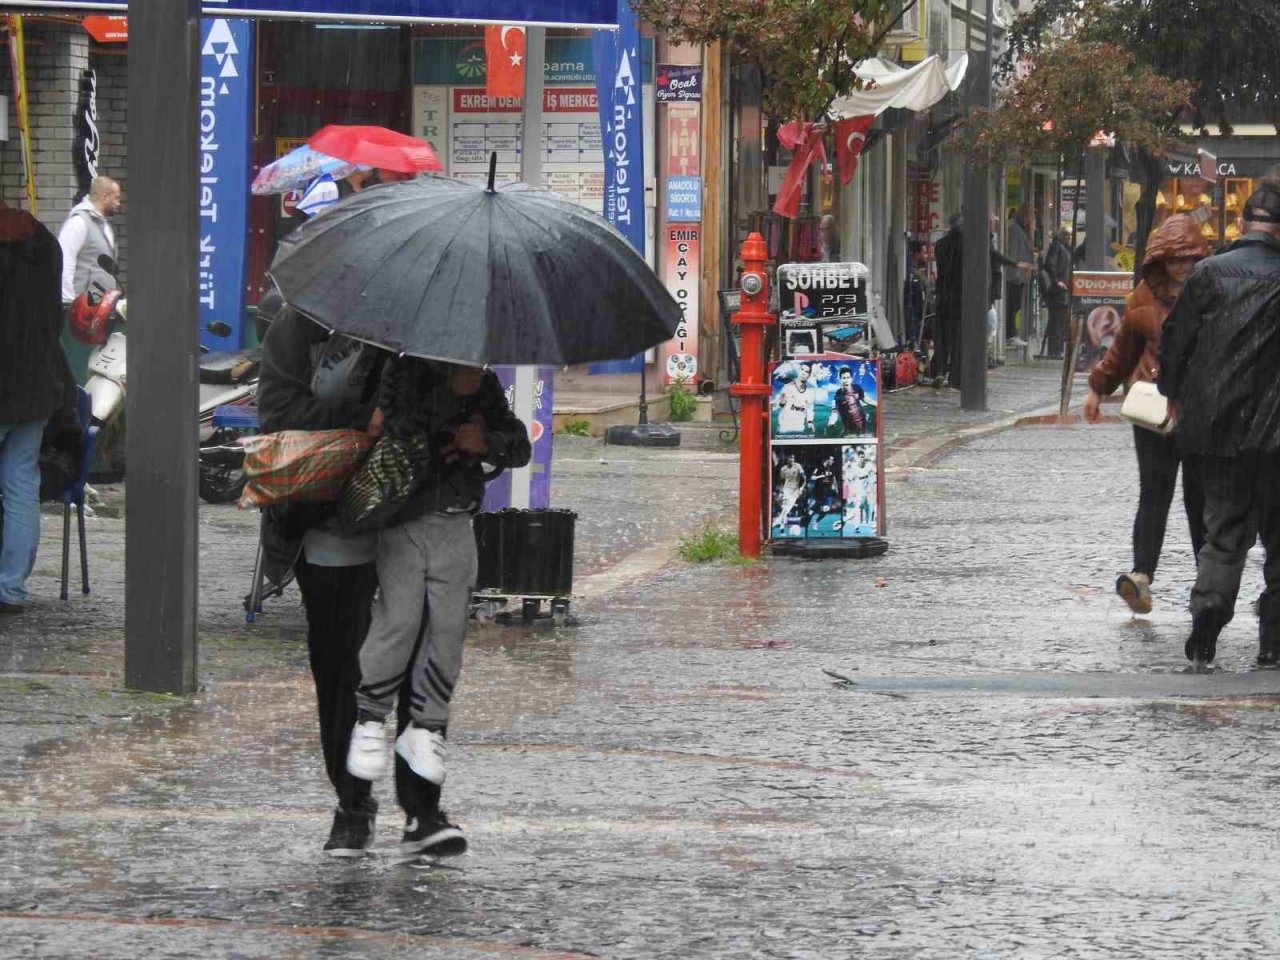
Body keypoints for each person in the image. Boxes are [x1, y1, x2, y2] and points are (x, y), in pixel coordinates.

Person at [346, 357, 530, 857]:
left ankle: (426, 729)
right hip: (403, 519)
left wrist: (485, 439)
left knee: (446, 633)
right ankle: (370, 720)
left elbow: (518, 443)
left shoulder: (485, 384)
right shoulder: (401, 369)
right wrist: (450, 395)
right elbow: (394, 430)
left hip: (456, 523)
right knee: (399, 622)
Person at [257, 302, 392, 856]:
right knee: (342, 670)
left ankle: (424, 806)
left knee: (418, 671)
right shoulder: (297, 328)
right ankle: (352, 801)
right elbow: (276, 412)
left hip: (411, 522)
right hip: (327, 524)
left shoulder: (412, 328)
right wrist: (362, 421)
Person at [1158, 177, 1280, 664]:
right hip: (1277, 435)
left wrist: (1170, 394)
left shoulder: (1208, 274)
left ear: (1246, 223)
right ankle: (1273, 641)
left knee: (1224, 534)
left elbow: (1176, 341)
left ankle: (1207, 620)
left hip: (1218, 428)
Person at [1082, 213, 1210, 615]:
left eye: (1188, 259)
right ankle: (1142, 576)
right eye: (1175, 259)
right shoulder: (1142, 300)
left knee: (1199, 497)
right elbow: (1121, 353)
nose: (1182, 267)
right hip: (1154, 412)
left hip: (1199, 410)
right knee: (1155, 493)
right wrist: (1097, 389)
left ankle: (1208, 579)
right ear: (1160, 261)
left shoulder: (1211, 292)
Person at [0, 205, 66, 614]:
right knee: (21, 487)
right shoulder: (44, 243)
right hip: (37, 385)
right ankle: (10, 589)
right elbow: (53, 319)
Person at [57, 176, 121, 386]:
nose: (119, 204)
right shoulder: (78, 223)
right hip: (80, 313)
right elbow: (64, 261)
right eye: (117, 198)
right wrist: (68, 302)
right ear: (105, 196)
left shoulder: (102, 225)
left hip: (100, 313)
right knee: (78, 364)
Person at [933, 214, 964, 386]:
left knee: (943, 336)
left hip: (944, 295)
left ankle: (940, 370)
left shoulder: (941, 244)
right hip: (959, 298)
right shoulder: (966, 246)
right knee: (958, 337)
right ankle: (956, 376)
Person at [1041, 227, 1073, 359]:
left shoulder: (1064, 248)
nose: (1068, 238)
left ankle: (1057, 349)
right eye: (1066, 235)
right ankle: (1054, 350)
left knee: (1059, 320)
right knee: (1056, 320)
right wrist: (1056, 282)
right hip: (1057, 291)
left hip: (1062, 290)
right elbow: (1050, 265)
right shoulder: (1057, 246)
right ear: (1060, 235)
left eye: (1069, 235)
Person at [1004, 206, 1034, 343]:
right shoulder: (1015, 229)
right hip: (1014, 276)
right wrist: (1016, 273)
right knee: (1013, 306)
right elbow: (1014, 252)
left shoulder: (1016, 228)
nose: (1029, 220)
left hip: (1017, 275)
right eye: (1028, 216)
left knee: (1015, 307)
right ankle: (1010, 334)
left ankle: (1011, 334)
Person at [827, 366, 870, 437]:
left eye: (848, 378)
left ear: (851, 379)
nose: (846, 380)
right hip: (850, 427)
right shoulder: (838, 394)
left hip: (863, 423)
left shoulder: (857, 387)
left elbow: (865, 399)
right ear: (840, 379)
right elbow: (835, 410)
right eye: (844, 378)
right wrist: (832, 421)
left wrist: (877, 404)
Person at [775, 362, 815, 435]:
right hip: (784, 429)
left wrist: (810, 422)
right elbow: (777, 406)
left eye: (806, 372)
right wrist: (781, 403)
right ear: (798, 371)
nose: (803, 373)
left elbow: (810, 409)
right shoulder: (787, 387)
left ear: (809, 376)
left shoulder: (810, 392)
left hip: (800, 429)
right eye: (802, 370)